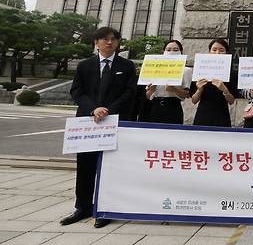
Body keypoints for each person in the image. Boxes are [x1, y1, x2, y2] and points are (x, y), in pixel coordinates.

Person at [61, 27, 136, 228]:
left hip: (113, 122)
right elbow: (77, 91)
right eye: (104, 39)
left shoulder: (126, 66)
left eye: (113, 39)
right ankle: (83, 206)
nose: (109, 42)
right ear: (96, 42)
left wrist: (107, 110)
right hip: (88, 123)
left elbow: (130, 93)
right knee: (85, 166)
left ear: (118, 43)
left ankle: (105, 208)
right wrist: (94, 108)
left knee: (110, 166)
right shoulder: (85, 66)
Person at [190, 39, 236, 127]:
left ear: (226, 53)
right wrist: (200, 89)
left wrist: (224, 89)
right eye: (214, 50)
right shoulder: (200, 71)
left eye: (221, 50)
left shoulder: (231, 73)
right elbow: (194, 100)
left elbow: (231, 101)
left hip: (222, 115)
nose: (217, 53)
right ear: (209, 52)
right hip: (203, 115)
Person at [144, 40, 192, 124]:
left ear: (181, 52)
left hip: (173, 107)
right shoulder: (155, 68)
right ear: (164, 52)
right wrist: (151, 89)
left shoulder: (186, 70)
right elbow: (148, 96)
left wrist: (174, 89)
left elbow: (187, 95)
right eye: (168, 50)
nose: (171, 52)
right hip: (155, 107)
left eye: (175, 50)